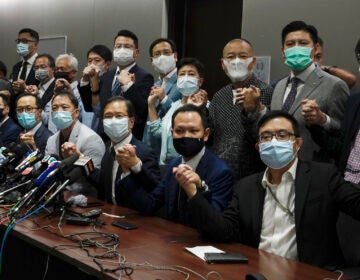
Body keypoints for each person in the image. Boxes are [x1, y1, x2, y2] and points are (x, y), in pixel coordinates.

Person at [185, 110, 360, 270]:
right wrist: (194, 193)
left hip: (308, 273)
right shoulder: (246, 187)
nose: (274, 141)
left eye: (282, 135)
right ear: (258, 147)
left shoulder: (323, 176)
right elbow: (222, 230)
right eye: (266, 137)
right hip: (257, 270)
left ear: (297, 143)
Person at [246, 21, 350, 163]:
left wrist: (323, 120)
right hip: (278, 165)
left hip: (314, 169)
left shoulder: (334, 85)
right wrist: (258, 108)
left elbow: (345, 133)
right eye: (290, 44)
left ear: (315, 49)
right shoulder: (279, 85)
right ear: (283, 52)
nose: (296, 48)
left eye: (302, 43)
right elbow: (278, 122)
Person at [119, 104, 234, 227]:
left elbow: (215, 225)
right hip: (173, 239)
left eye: (193, 131)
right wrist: (126, 170)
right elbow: (149, 205)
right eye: (179, 131)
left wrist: (197, 189)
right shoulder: (174, 164)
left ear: (205, 134)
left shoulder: (221, 172)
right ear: (172, 133)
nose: (186, 136)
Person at [209, 38, 273, 180]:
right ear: (223, 64)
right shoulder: (219, 96)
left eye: (243, 56)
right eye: (230, 57)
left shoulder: (265, 92)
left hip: (253, 176)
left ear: (253, 62)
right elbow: (211, 136)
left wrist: (252, 110)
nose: (236, 61)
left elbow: (265, 137)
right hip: (220, 176)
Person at [98, 96, 160, 208]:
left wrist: (136, 166)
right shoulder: (108, 148)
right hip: (109, 214)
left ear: (131, 122)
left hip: (135, 219)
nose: (113, 121)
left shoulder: (144, 152)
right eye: (108, 116)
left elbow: (155, 190)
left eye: (119, 116)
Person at [45, 88, 105, 196]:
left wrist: (78, 158)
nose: (59, 111)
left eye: (64, 107)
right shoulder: (51, 140)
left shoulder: (91, 139)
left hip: (84, 198)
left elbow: (97, 179)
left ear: (76, 112)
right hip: (57, 196)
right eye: (55, 108)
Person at [147, 57, 207, 165]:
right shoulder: (175, 105)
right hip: (166, 165)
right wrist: (151, 104)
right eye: (182, 74)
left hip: (190, 167)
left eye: (191, 74)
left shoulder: (205, 107)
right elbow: (159, 132)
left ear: (200, 81)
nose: (186, 78)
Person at [98, 29, 154, 139]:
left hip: (130, 137)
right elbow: (99, 108)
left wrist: (127, 86)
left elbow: (142, 110)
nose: (122, 49)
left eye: (127, 47)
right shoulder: (106, 76)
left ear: (136, 53)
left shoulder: (144, 76)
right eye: (118, 46)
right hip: (105, 136)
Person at [143, 38, 182, 155]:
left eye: (166, 53)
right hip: (151, 147)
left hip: (170, 149)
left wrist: (164, 98)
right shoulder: (156, 84)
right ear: (152, 60)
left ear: (175, 56)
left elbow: (181, 114)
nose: (162, 57)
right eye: (157, 54)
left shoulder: (183, 82)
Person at [78, 44, 112, 130]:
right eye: (89, 61)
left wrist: (95, 83)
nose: (92, 64)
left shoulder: (111, 81)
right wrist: (85, 79)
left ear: (107, 65)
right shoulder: (87, 82)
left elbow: (99, 110)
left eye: (97, 60)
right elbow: (88, 108)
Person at [24, 54, 56, 130]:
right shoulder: (34, 87)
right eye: (36, 68)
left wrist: (35, 98)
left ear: (53, 69)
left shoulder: (57, 88)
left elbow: (48, 120)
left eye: (43, 67)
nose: (39, 70)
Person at [11, 28, 40, 94]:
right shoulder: (16, 67)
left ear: (35, 45)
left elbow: (46, 90)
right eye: (18, 41)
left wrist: (25, 88)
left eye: (24, 41)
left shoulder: (43, 65)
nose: (20, 44)